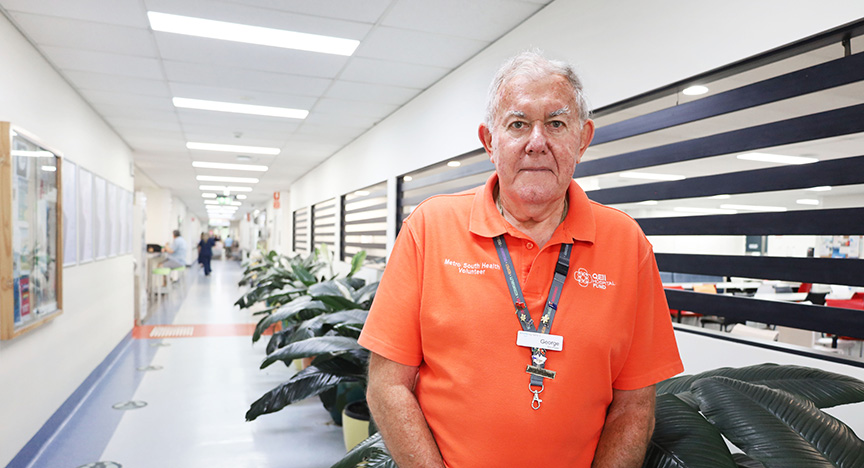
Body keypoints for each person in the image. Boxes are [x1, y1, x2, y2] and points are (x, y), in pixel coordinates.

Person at [358, 51, 684, 467]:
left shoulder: (626, 243)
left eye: (555, 123)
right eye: (518, 124)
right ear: (490, 142)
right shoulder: (429, 228)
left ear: (582, 139)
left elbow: (635, 405)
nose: (537, 142)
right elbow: (387, 385)